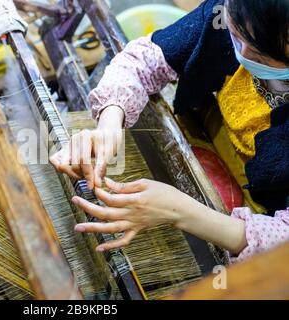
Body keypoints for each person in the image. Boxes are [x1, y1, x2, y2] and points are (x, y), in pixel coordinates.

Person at [49, 0, 289, 262]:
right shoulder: (234, 13)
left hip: (266, 201)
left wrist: (180, 212)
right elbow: (143, 60)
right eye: (236, 35)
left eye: (259, 56)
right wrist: (110, 123)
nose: (241, 52)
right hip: (210, 133)